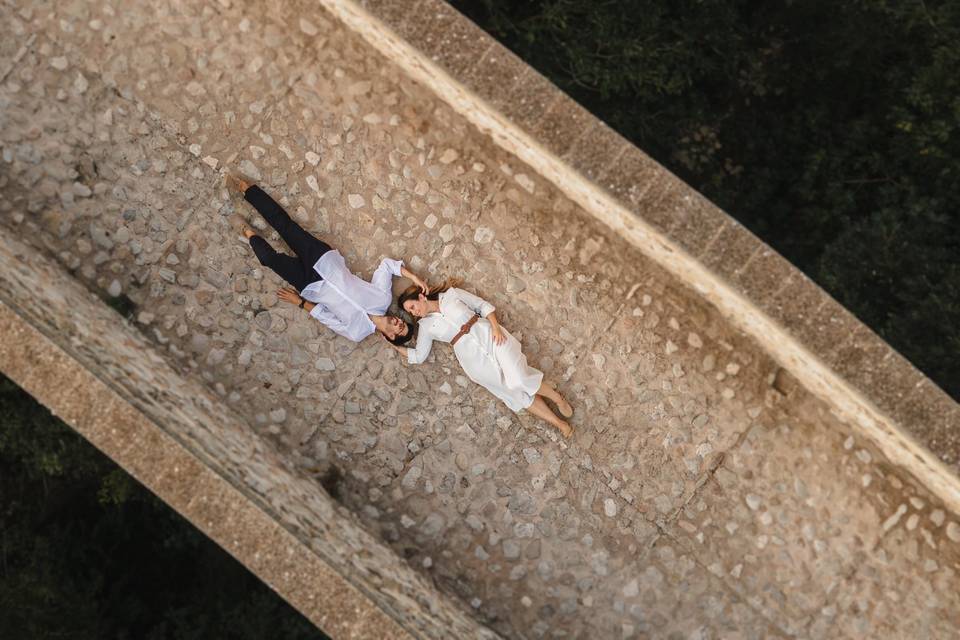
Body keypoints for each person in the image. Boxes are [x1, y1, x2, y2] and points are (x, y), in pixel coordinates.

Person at [226, 174, 421, 344]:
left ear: (391, 337)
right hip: (324, 259)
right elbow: (387, 266)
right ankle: (247, 189)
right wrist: (415, 279)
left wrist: (300, 303)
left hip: (309, 285)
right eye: (404, 323)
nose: (400, 323)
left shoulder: (357, 333)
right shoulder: (383, 298)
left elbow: (326, 318)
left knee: (269, 259)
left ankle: (248, 232)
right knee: (285, 226)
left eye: (401, 329)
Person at [386, 280, 575, 438]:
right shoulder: (426, 327)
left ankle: (557, 399)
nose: (414, 312)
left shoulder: (452, 295)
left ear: (421, 297)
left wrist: (495, 327)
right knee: (515, 394)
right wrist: (392, 343)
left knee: (519, 379)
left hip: (492, 338)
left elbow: (482, 305)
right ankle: (558, 424)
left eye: (413, 307)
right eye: (410, 312)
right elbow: (418, 356)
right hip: (475, 363)